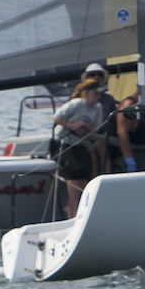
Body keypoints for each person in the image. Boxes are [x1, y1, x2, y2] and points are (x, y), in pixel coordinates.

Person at [51, 75, 113, 210]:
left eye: (99, 94)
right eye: (95, 93)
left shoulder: (97, 107)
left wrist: (83, 125)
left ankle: (82, 204)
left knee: (85, 169)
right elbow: (56, 117)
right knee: (74, 169)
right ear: (87, 93)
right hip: (62, 142)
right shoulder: (76, 104)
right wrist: (70, 125)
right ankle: (72, 205)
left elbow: (96, 128)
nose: (98, 96)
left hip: (78, 143)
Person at [109, 91, 145, 173]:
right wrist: (129, 159)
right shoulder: (129, 106)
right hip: (127, 152)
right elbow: (122, 133)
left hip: (142, 150)